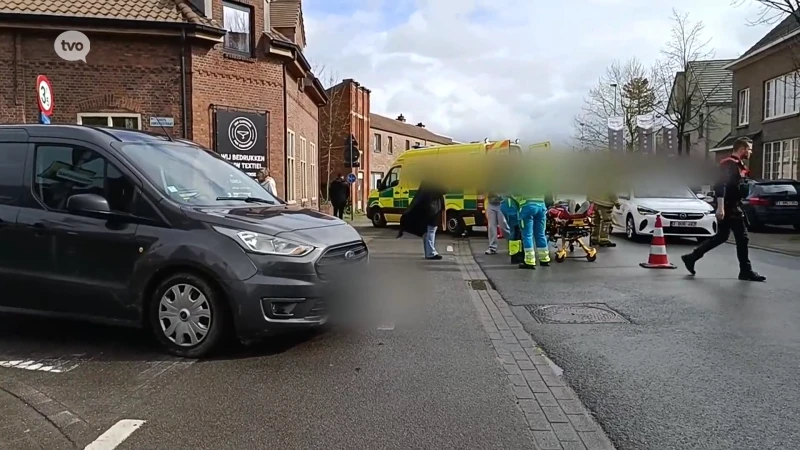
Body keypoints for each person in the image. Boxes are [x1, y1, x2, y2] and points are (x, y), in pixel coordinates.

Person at [680, 137, 765, 282]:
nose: (751, 152)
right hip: (729, 207)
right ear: (742, 149)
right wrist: (720, 208)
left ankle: (692, 257)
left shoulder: (738, 165)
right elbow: (720, 185)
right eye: (749, 149)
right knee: (742, 238)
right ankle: (745, 271)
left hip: (733, 205)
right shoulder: (728, 164)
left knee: (722, 236)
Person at [398, 179, 446, 260]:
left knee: (429, 230)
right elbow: (444, 190)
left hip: (428, 207)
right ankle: (430, 253)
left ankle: (430, 252)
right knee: (431, 229)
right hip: (432, 207)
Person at [500, 196, 524, 264]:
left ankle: (516, 254)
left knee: (515, 230)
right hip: (511, 205)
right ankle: (516, 255)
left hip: (510, 204)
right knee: (515, 230)